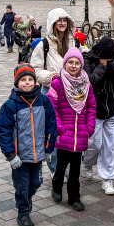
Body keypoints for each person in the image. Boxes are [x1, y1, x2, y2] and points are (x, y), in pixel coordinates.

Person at [0, 63, 58, 226]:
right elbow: (3, 131)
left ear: (36, 82)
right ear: (17, 83)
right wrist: (10, 155)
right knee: (22, 185)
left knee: (36, 182)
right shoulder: (10, 105)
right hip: (20, 157)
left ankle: (27, 198)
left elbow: (51, 125)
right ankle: (23, 212)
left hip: (38, 154)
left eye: (31, 79)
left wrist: (48, 148)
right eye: (23, 80)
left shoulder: (44, 101)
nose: (28, 82)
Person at [47, 48, 97, 212]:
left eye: (77, 63)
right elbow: (51, 107)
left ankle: (74, 197)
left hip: (80, 133)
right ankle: (56, 186)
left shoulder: (86, 84)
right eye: (70, 62)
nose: (74, 66)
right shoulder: (57, 82)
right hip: (64, 134)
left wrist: (89, 128)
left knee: (76, 168)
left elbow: (91, 107)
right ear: (65, 63)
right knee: (61, 165)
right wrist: (60, 128)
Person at [32, 8, 75, 178]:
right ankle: (55, 168)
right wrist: (52, 76)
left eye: (65, 20)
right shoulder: (44, 44)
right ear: (53, 23)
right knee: (52, 131)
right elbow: (34, 70)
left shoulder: (73, 42)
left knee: (69, 131)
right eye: (59, 20)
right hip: (50, 91)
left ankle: (67, 165)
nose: (62, 23)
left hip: (71, 93)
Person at [83, 37, 114, 195]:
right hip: (94, 109)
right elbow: (90, 81)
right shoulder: (88, 59)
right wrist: (102, 66)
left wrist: (112, 65)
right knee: (94, 143)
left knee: (110, 146)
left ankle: (107, 179)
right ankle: (87, 162)